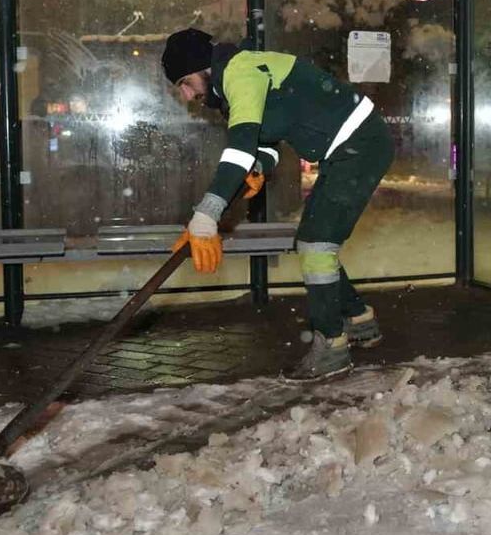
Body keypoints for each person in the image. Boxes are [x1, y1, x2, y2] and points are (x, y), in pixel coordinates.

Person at [160, 28, 393, 381]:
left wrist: (206, 216)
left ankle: (332, 345)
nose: (188, 94)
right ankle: (359, 319)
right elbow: (266, 141)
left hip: (360, 145)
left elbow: (238, 149)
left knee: (317, 244)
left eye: (185, 82)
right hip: (347, 150)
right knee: (311, 242)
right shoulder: (234, 81)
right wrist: (259, 166)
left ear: (200, 66)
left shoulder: (240, 73)